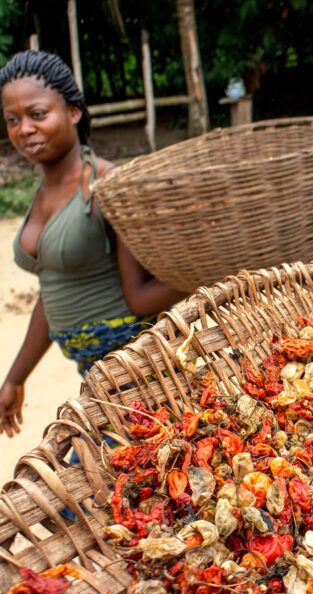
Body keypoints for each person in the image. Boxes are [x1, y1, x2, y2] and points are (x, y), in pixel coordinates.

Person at [0, 50, 186, 438]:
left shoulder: (106, 187)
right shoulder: (42, 192)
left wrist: (205, 273)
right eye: (12, 120)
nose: (24, 129)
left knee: (84, 495)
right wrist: (16, 379)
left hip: (135, 372)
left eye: (37, 114)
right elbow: (52, 294)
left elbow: (139, 296)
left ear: (73, 112)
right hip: (96, 376)